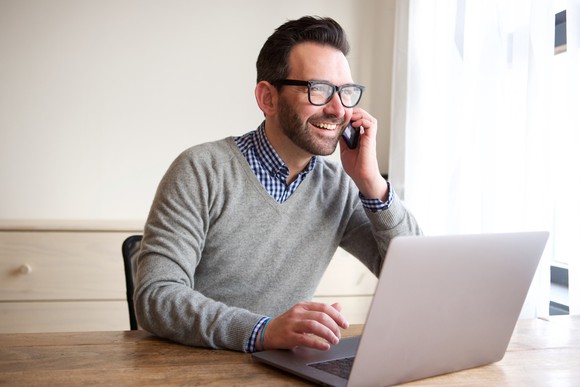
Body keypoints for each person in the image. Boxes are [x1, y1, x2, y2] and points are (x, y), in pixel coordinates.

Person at [134, 15, 421, 353]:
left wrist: (372, 185)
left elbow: (413, 276)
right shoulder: (200, 170)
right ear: (268, 98)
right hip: (194, 368)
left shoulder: (340, 188)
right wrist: (264, 330)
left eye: (345, 92)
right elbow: (156, 297)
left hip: (283, 369)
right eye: (319, 90)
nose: (337, 108)